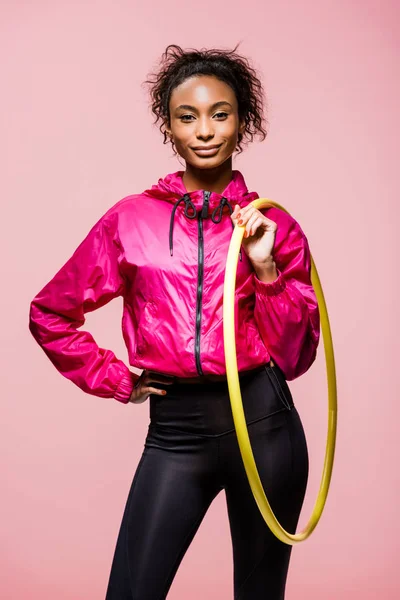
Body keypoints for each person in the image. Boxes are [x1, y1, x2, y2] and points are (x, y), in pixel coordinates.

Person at [29, 44, 320, 599]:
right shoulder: (130, 219)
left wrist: (265, 268)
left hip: (265, 424)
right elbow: (50, 312)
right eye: (188, 117)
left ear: (242, 122)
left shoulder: (274, 225)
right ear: (169, 126)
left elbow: (295, 357)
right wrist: (119, 378)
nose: (205, 130)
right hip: (176, 431)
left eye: (220, 114)